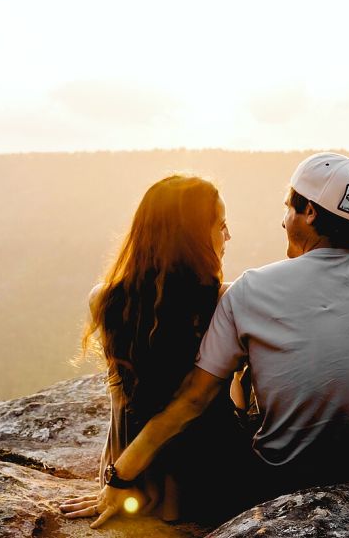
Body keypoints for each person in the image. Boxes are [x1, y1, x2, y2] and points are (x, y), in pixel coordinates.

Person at [83, 152, 349, 529]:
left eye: (288, 208)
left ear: (310, 213)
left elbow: (193, 397)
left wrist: (121, 473)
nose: (283, 220)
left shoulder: (251, 290)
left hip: (283, 480)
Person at [59, 174, 246, 525]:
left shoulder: (103, 299)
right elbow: (194, 402)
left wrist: (116, 478)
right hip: (209, 479)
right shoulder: (225, 300)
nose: (228, 236)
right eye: (221, 225)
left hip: (133, 480)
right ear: (191, 238)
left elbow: (122, 404)